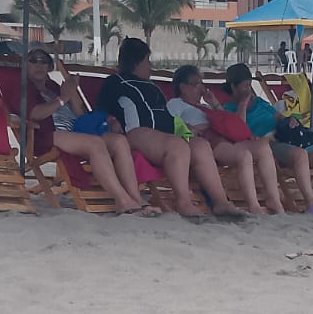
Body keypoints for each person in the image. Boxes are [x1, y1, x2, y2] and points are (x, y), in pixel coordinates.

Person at [96, 38, 244, 218]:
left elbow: (166, 114)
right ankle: (183, 201)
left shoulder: (153, 87)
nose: (150, 66)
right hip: (136, 132)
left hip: (164, 135)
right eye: (147, 61)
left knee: (201, 146)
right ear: (136, 62)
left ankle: (221, 202)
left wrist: (184, 127)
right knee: (177, 145)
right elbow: (100, 111)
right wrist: (112, 120)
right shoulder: (115, 82)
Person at [21, 48, 158, 215]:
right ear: (25, 65)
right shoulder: (23, 88)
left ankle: (136, 198)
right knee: (95, 144)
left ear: (49, 67)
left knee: (119, 141)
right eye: (33, 60)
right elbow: (35, 114)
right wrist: (63, 98)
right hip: (46, 135)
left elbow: (81, 115)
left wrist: (73, 93)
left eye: (44, 61)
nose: (39, 65)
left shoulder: (53, 87)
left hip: (76, 132)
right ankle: (123, 201)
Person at [224, 62, 313, 216]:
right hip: (266, 144)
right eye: (245, 86)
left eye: (250, 85)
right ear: (233, 87)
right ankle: (311, 203)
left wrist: (290, 120)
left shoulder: (260, 102)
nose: (249, 90)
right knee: (300, 155)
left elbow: (278, 117)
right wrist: (243, 104)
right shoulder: (229, 109)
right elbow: (238, 129)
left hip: (284, 137)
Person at [166, 64, 286, 215]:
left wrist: (214, 103)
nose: (201, 88)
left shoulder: (205, 105)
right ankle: (254, 205)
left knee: (263, 147)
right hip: (210, 141)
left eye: (202, 83)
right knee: (244, 155)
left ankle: (274, 200)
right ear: (183, 87)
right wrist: (188, 127)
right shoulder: (175, 104)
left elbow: (229, 122)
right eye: (197, 84)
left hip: (225, 137)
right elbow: (170, 123)